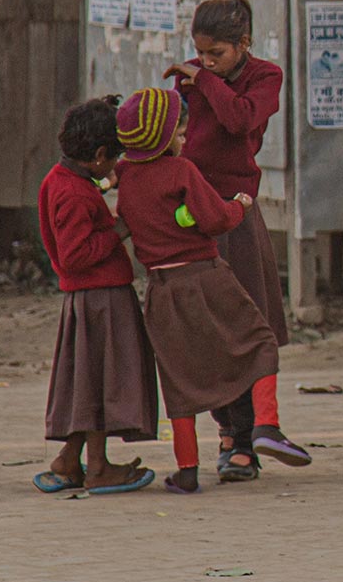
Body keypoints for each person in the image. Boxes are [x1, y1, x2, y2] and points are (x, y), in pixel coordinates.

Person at [112, 88, 304, 495]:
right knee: (259, 343)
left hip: (161, 291)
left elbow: (123, 224)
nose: (185, 140)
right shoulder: (182, 171)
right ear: (164, 137)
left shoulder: (126, 176)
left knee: (179, 381)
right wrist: (240, 205)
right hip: (204, 276)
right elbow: (214, 220)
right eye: (180, 132)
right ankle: (266, 425)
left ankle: (186, 470)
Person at [165, 0, 288, 481]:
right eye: (201, 52)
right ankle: (226, 430)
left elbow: (241, 120)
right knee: (208, 329)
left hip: (236, 213)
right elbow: (170, 132)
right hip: (192, 213)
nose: (206, 61)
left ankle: (246, 439)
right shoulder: (192, 79)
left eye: (217, 53)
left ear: (244, 43)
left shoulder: (265, 77)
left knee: (246, 320)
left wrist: (206, 80)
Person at [32, 96, 159, 496]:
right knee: (102, 385)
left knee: (87, 384)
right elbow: (75, 255)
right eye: (113, 158)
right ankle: (100, 467)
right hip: (100, 298)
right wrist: (120, 229)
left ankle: (69, 462)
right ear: (100, 154)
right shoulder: (75, 193)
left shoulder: (61, 179)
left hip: (85, 300)